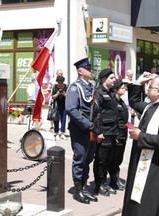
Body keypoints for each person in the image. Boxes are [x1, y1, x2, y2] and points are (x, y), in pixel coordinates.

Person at [122, 73, 159, 216]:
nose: (147, 89)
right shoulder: (149, 106)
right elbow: (133, 101)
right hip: (141, 160)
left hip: (155, 165)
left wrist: (141, 136)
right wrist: (139, 82)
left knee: (148, 203)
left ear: (158, 91)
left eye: (150, 87)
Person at [65, 57, 98, 204]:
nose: (90, 70)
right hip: (80, 129)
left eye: (90, 68)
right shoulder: (75, 87)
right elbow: (71, 108)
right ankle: (78, 190)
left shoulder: (90, 86)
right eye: (88, 68)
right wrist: (87, 124)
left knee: (88, 159)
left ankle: (84, 187)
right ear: (80, 71)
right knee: (80, 158)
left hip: (91, 129)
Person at [92, 68, 118, 196]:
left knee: (108, 160)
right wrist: (98, 132)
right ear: (104, 79)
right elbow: (95, 114)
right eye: (112, 78)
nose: (114, 80)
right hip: (103, 131)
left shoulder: (111, 93)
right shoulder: (99, 92)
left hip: (112, 132)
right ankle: (98, 185)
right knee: (101, 160)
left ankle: (104, 182)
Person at [109, 79, 128, 191]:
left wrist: (131, 127)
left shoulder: (121, 101)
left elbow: (124, 119)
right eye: (122, 87)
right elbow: (114, 119)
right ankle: (113, 180)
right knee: (114, 158)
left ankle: (116, 178)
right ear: (116, 89)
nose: (124, 89)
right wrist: (114, 135)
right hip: (117, 134)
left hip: (123, 133)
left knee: (119, 158)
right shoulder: (113, 102)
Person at [51, 75, 67, 140]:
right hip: (56, 106)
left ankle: (62, 133)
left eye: (61, 82)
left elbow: (68, 96)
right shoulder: (55, 87)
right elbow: (53, 97)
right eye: (59, 82)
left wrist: (63, 94)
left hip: (64, 106)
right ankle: (56, 133)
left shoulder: (66, 86)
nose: (60, 83)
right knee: (56, 120)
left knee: (63, 120)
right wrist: (57, 94)